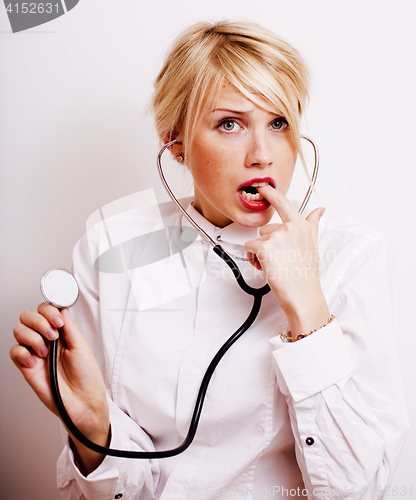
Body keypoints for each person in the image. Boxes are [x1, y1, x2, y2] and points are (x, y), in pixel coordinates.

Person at [11, 20, 408, 500]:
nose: (262, 155)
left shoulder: (354, 255)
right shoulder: (114, 247)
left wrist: (308, 309)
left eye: (279, 122)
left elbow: (361, 489)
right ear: (175, 141)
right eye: (230, 124)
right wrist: (95, 430)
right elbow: (123, 487)